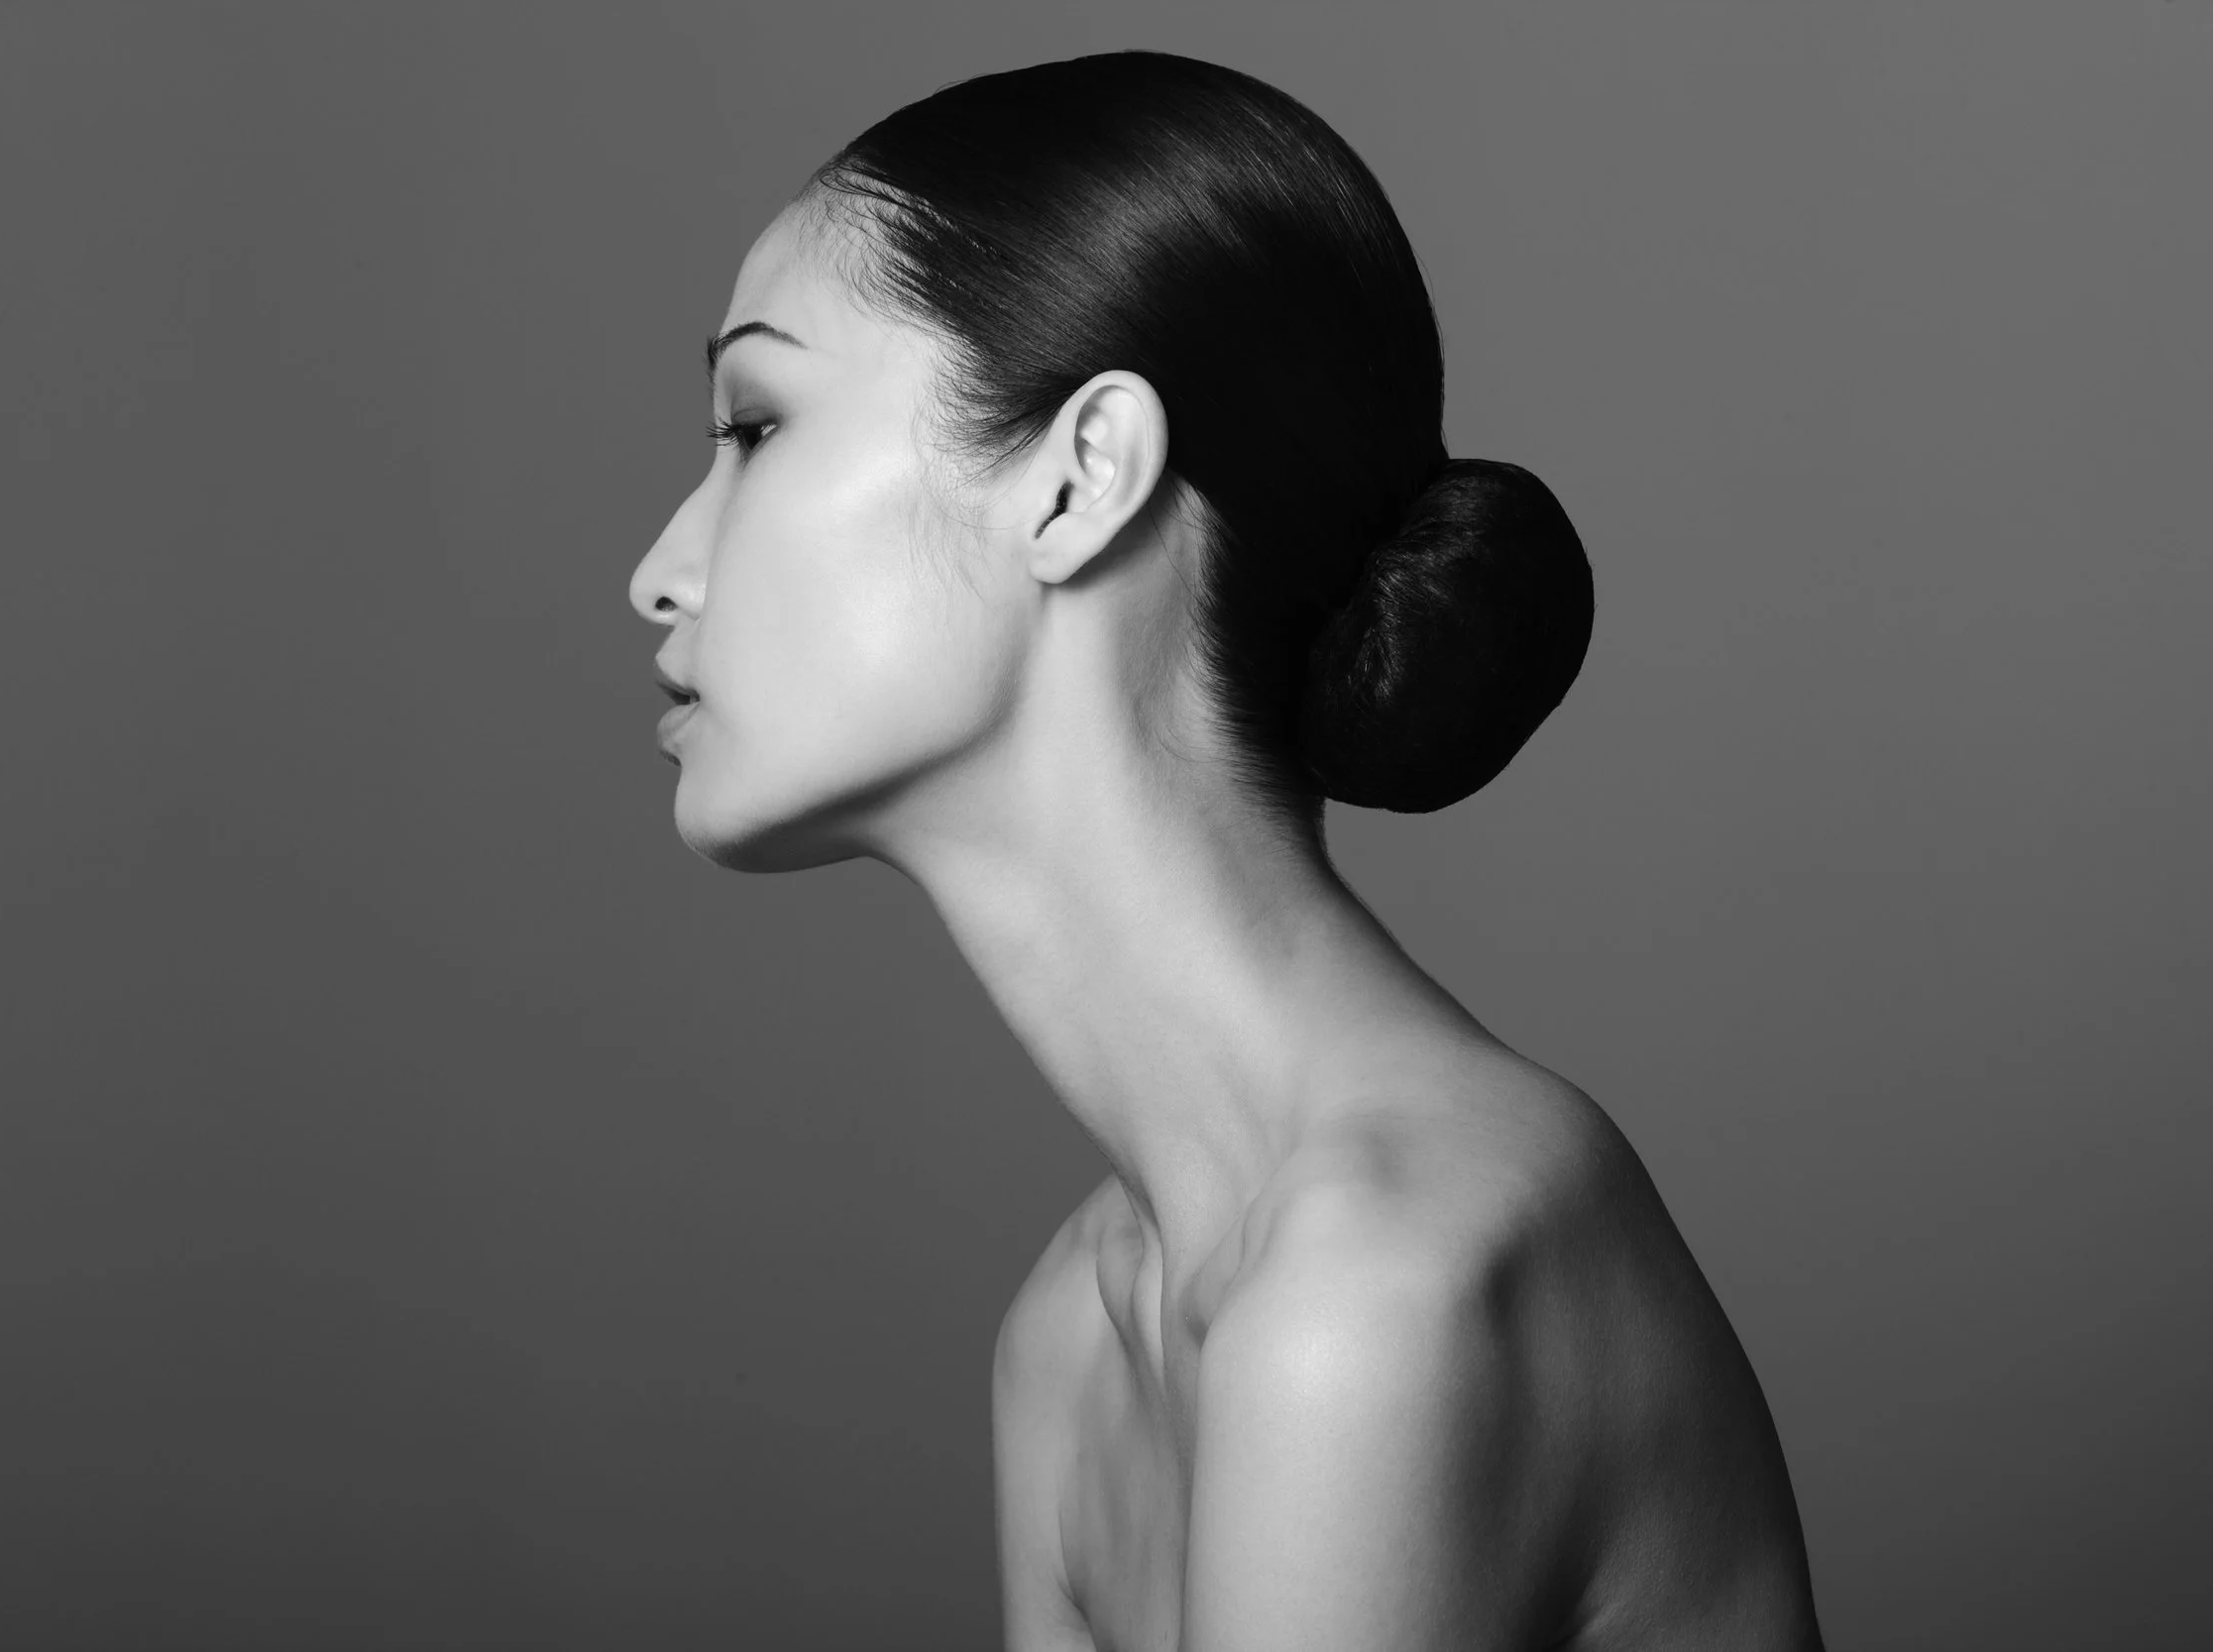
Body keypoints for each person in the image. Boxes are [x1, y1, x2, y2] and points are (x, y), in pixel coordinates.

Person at [628, 50, 1822, 1652]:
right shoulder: (1075, 1336)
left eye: (756, 425)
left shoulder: (1380, 1292)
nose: (661, 570)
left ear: (1080, 477)